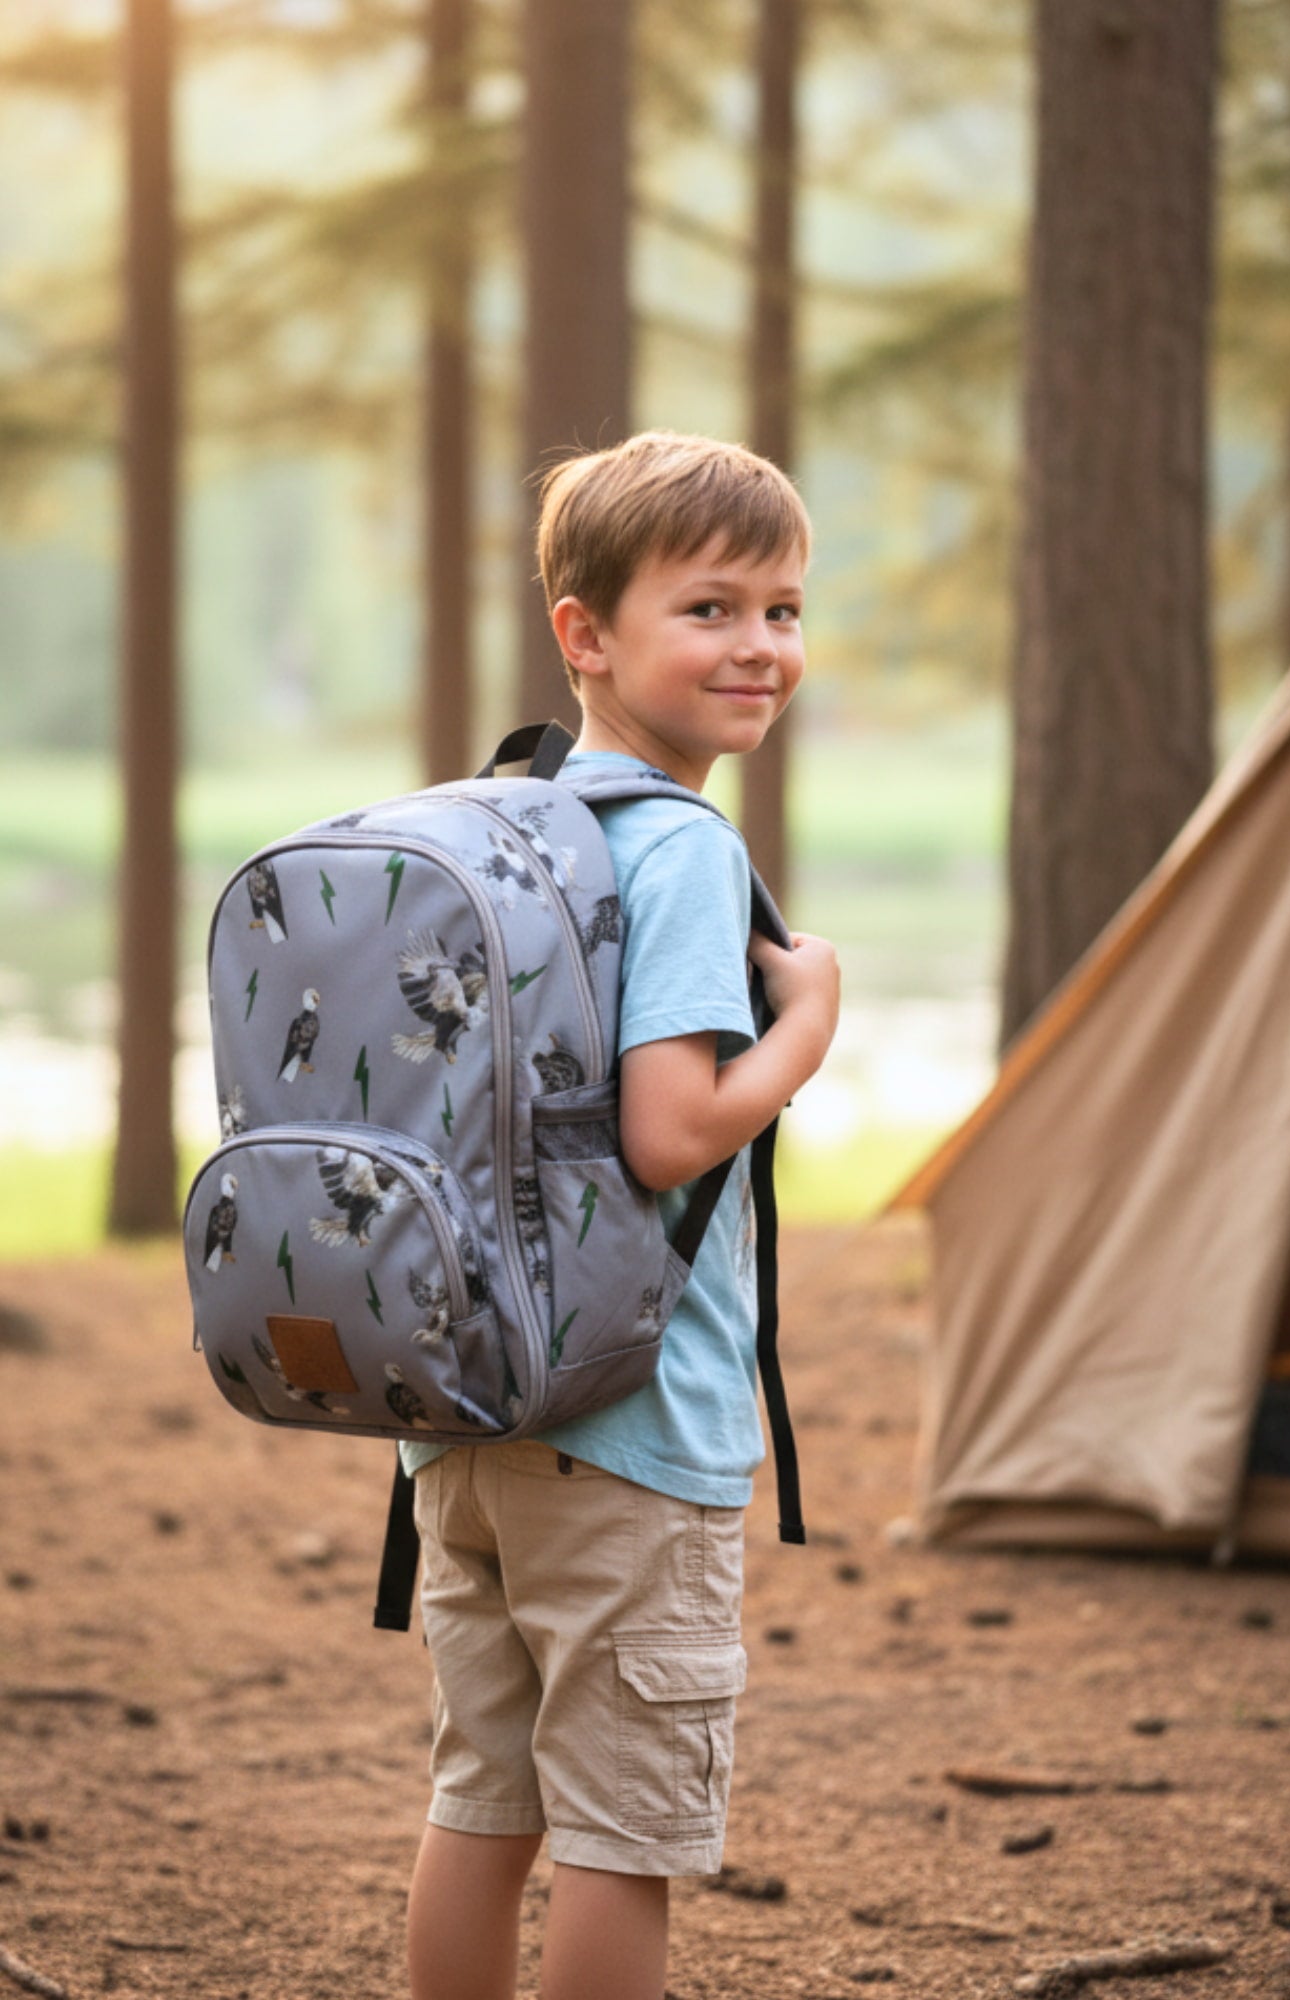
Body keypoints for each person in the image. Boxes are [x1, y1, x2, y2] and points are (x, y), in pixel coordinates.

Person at [403, 431, 840, 2000]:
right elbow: (671, 1134)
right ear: (585, 636)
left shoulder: (504, 821)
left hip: (466, 1411)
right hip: (632, 1424)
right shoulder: (678, 849)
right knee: (618, 1835)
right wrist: (803, 1030)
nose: (760, 649)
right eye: (710, 610)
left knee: (483, 1800)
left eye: (783, 610)